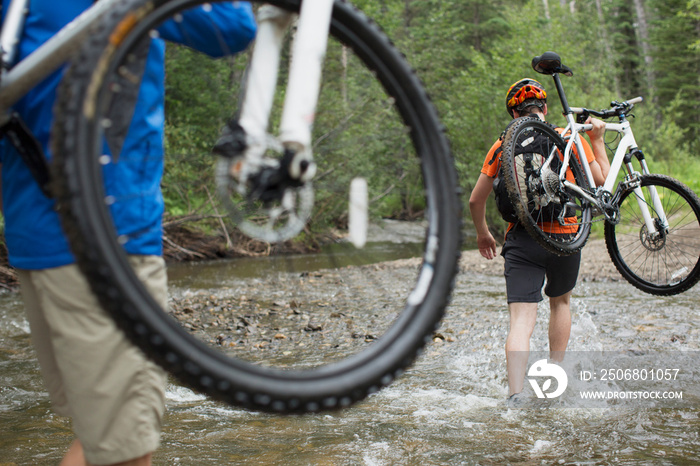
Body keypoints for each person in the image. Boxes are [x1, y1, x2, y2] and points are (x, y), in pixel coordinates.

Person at [0, 2, 256, 464]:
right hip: (109, 242)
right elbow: (230, 26)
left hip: (34, 237)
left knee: (100, 441)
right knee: (125, 455)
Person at [468, 78, 610, 405]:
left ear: (515, 113)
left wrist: (483, 233)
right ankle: (553, 380)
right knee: (561, 303)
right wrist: (599, 141)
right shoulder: (567, 136)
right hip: (564, 236)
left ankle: (515, 394)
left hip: (522, 237)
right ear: (544, 109)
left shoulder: (502, 144)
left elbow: (476, 201)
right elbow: (600, 181)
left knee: (521, 321)